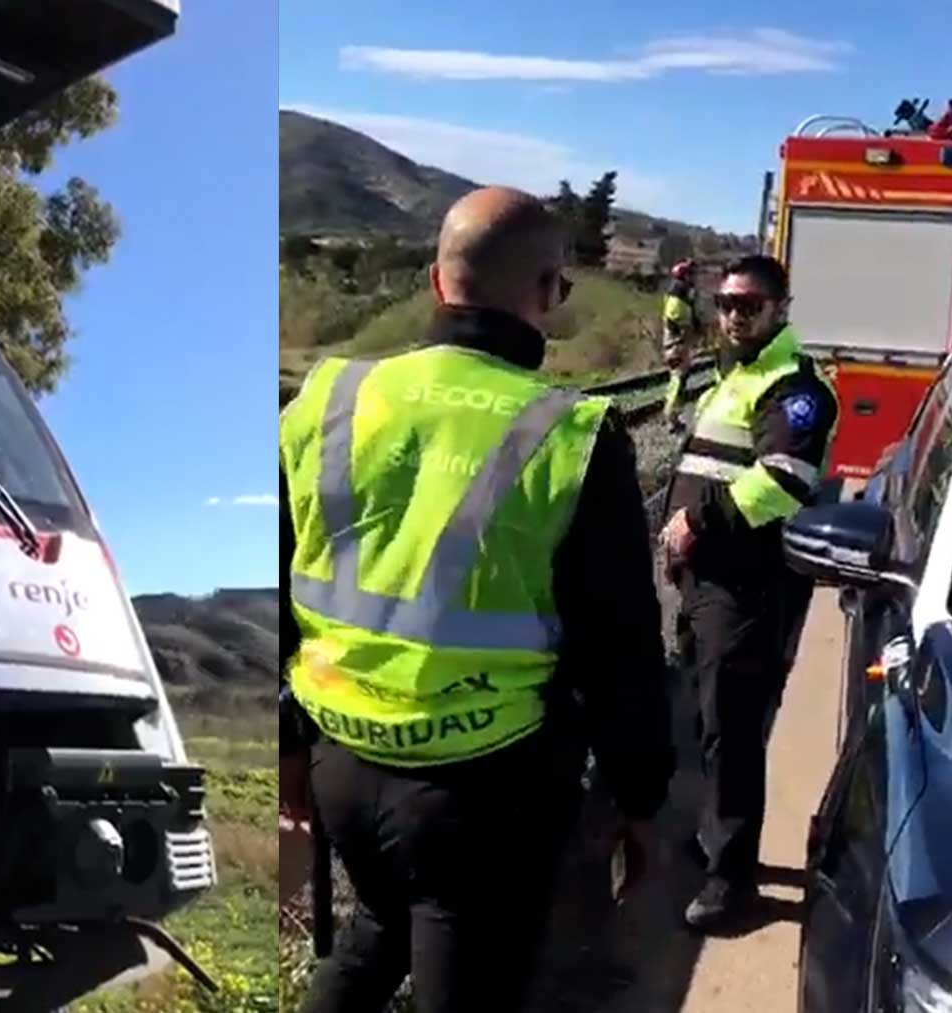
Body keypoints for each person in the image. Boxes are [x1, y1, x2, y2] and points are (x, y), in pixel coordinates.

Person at [278, 186, 675, 1013]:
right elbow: (620, 646)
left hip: (343, 757)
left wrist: (290, 746)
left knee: (378, 928)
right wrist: (639, 801)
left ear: (434, 281)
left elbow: (281, 588)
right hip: (484, 790)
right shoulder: (569, 434)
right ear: (547, 293)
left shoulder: (328, 399)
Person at [656, 254, 838, 930]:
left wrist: (694, 521)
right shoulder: (736, 375)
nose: (735, 313)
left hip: (748, 584)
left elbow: (784, 478)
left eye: (751, 303)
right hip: (706, 578)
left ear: (781, 309)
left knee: (732, 728)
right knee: (709, 721)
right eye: (728, 302)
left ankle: (732, 883)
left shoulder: (794, 387)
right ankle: (713, 837)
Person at [660, 259, 703, 432]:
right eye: (691, 275)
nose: (694, 279)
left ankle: (673, 416)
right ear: (684, 277)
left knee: (678, 382)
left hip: (677, 346)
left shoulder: (677, 298)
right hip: (677, 347)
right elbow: (686, 327)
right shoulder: (678, 302)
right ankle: (671, 419)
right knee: (678, 383)